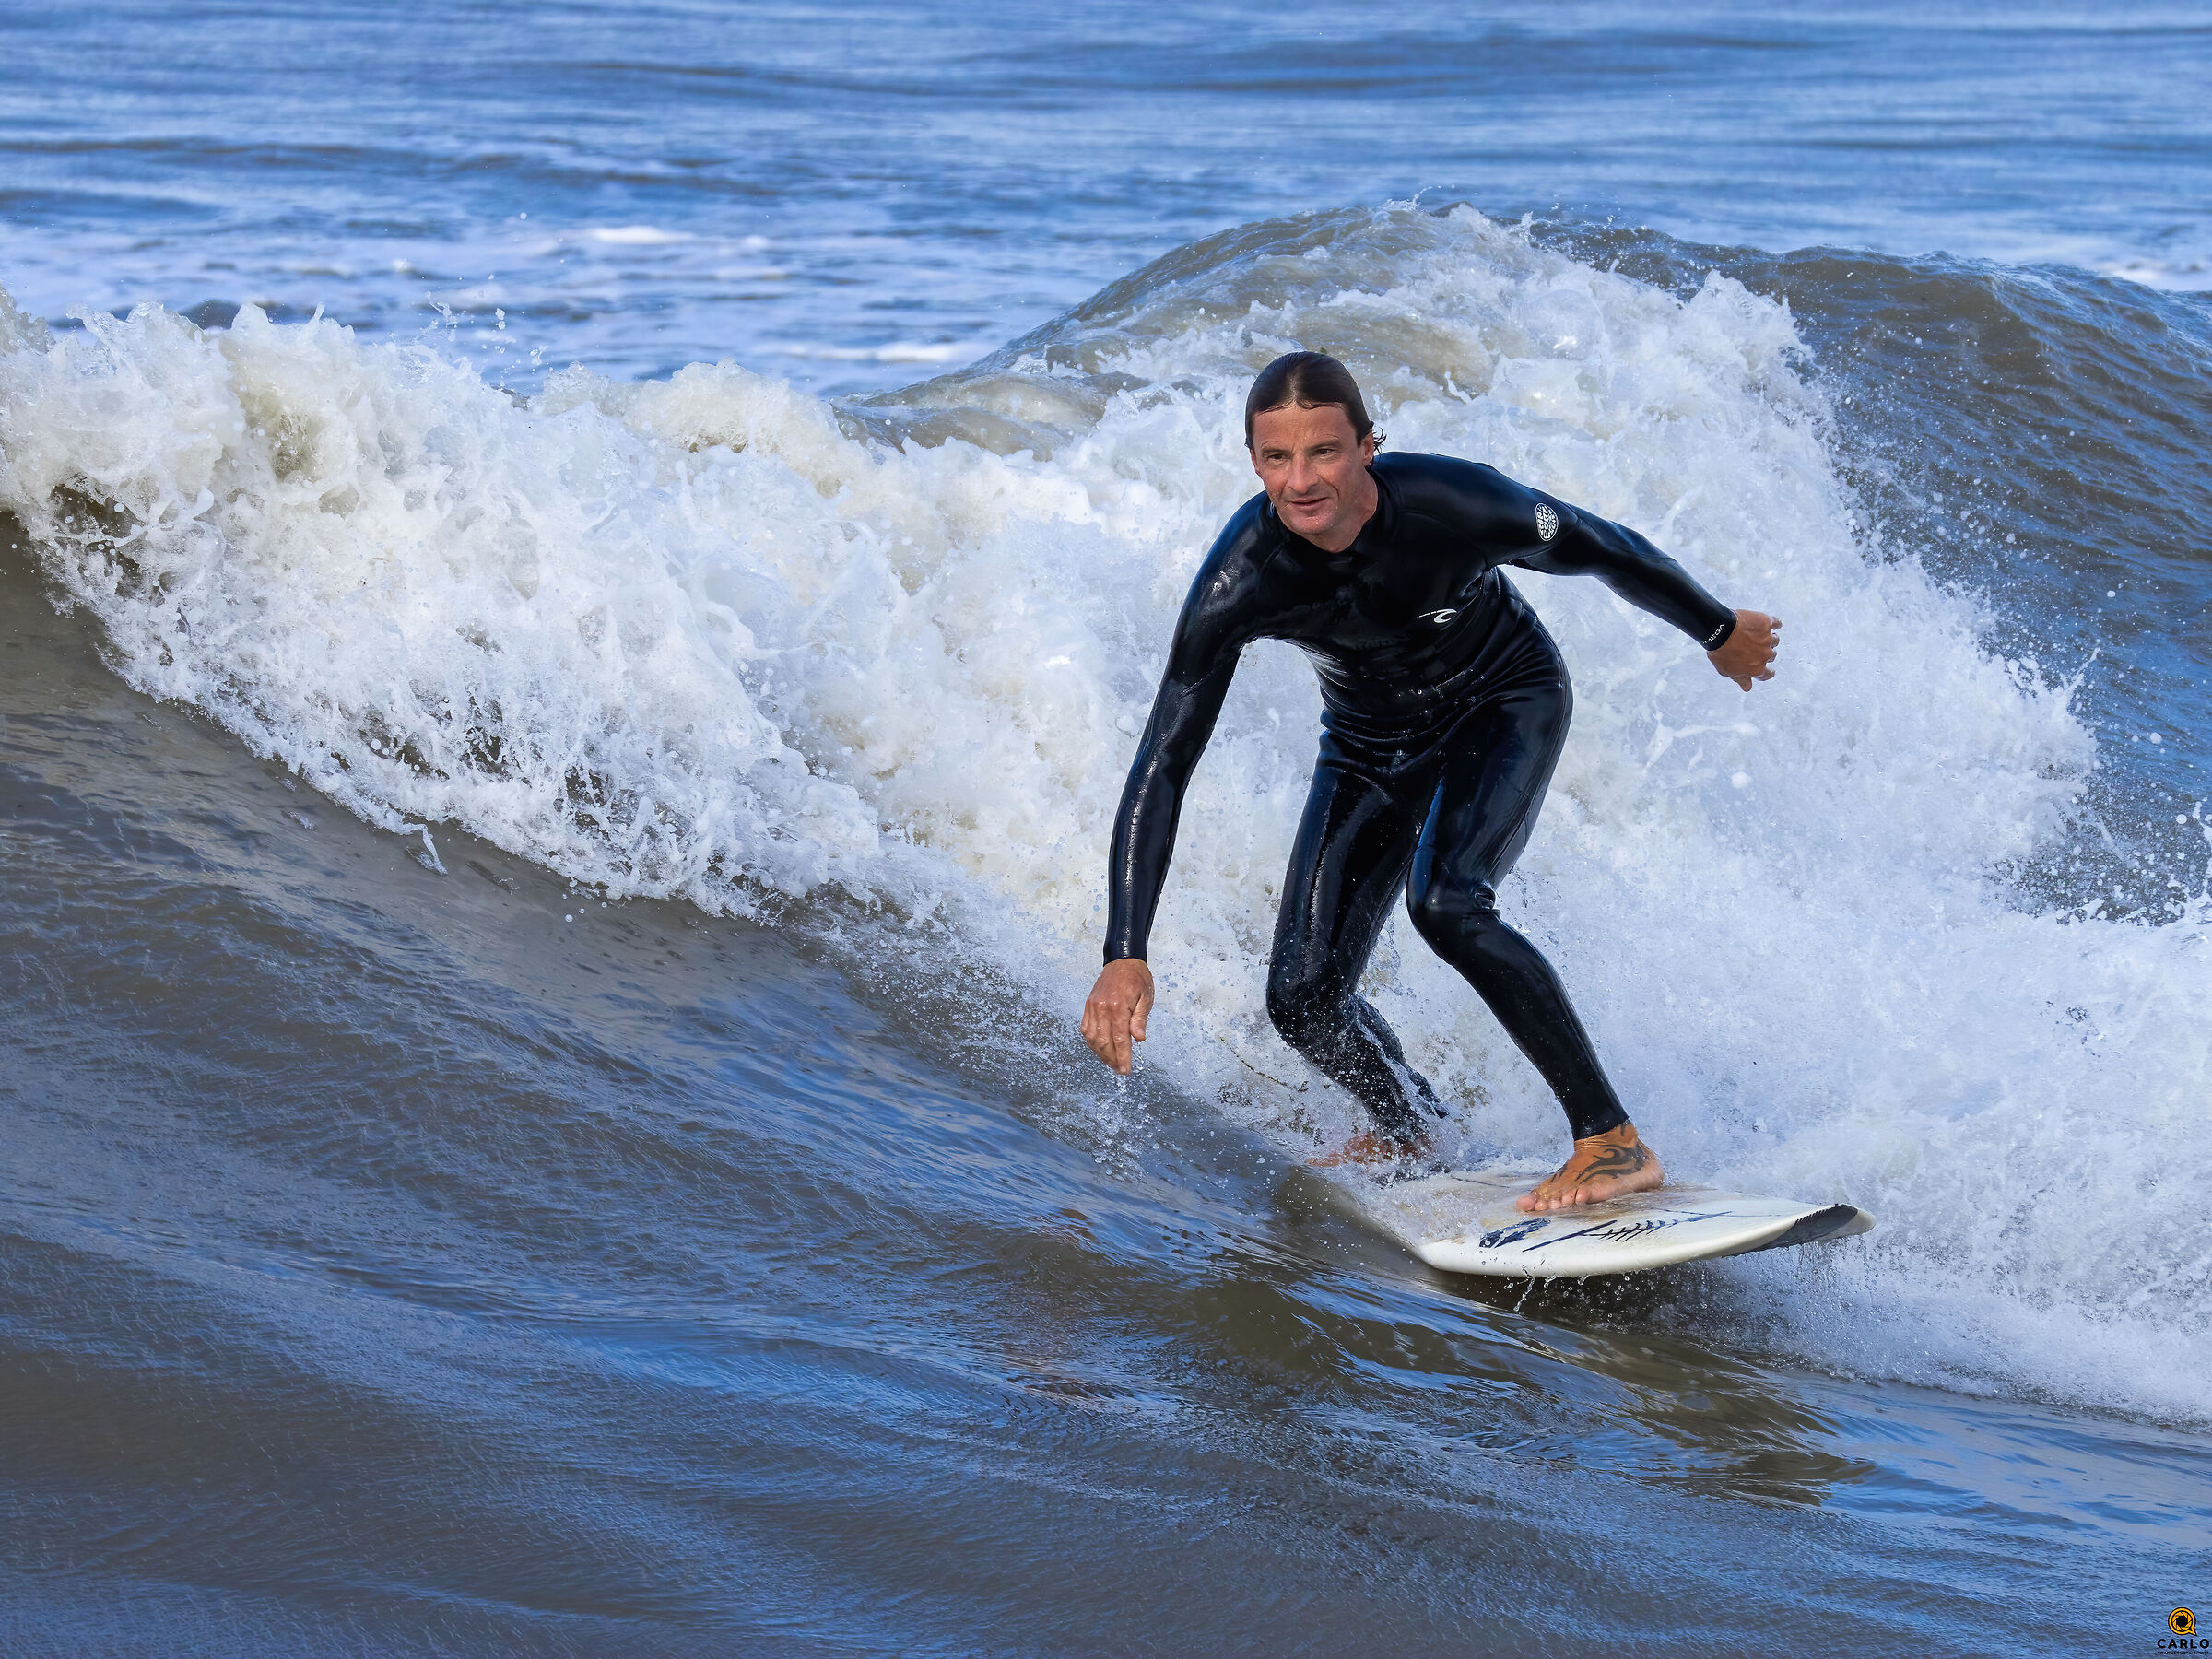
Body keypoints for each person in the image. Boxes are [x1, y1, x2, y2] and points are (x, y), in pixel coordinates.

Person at [1078, 352, 1781, 1213]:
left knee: (1447, 902)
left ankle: (1611, 1141)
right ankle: (1412, 1125)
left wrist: (1715, 628)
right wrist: (1126, 950)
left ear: (1369, 445)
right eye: (1276, 459)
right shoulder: (1244, 579)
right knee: (1302, 1000)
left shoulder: (1455, 504)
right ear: (1254, 462)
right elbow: (1165, 760)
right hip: (1370, 746)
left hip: (1505, 700)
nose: (1301, 482)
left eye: (1325, 452)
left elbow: (1603, 546)